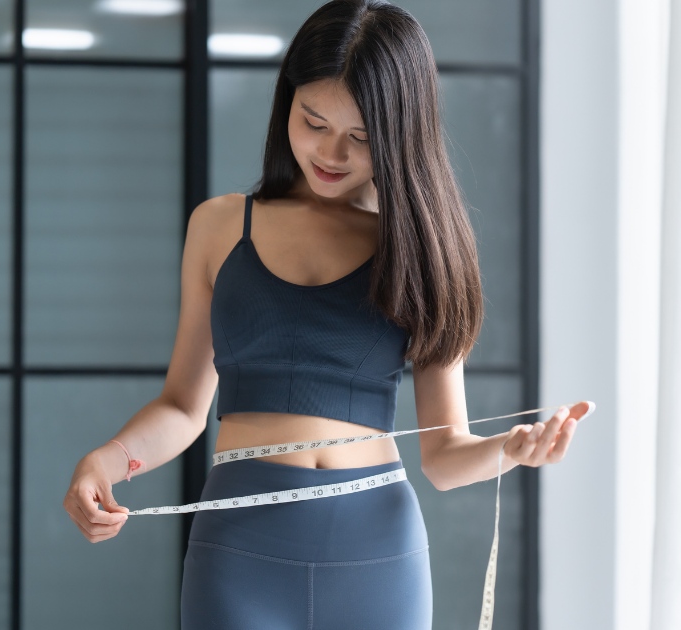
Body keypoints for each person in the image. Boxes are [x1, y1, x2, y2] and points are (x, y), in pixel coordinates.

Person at [62, 1, 588, 628]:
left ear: (400, 134)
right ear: (287, 101)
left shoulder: (422, 244)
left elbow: (445, 455)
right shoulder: (219, 226)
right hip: (239, 550)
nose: (332, 153)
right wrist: (109, 459)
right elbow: (182, 407)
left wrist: (514, 449)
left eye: (361, 137)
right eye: (313, 121)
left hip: (378, 555)